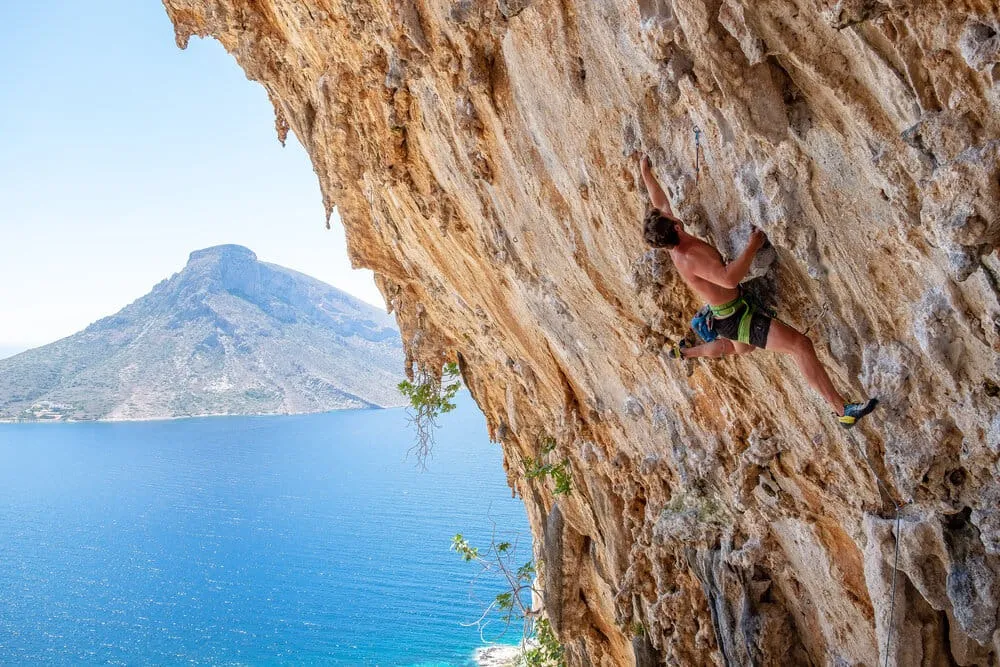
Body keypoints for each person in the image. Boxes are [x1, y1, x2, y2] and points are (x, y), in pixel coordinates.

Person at [639, 155, 877, 428]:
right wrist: (752, 244)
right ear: (677, 227)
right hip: (738, 318)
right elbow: (728, 279)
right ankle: (842, 411)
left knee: (739, 348)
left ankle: (689, 353)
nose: (668, 210)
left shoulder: (674, 242)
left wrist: (645, 172)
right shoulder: (690, 255)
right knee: (800, 346)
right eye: (669, 216)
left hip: (728, 313)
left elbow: (659, 202)